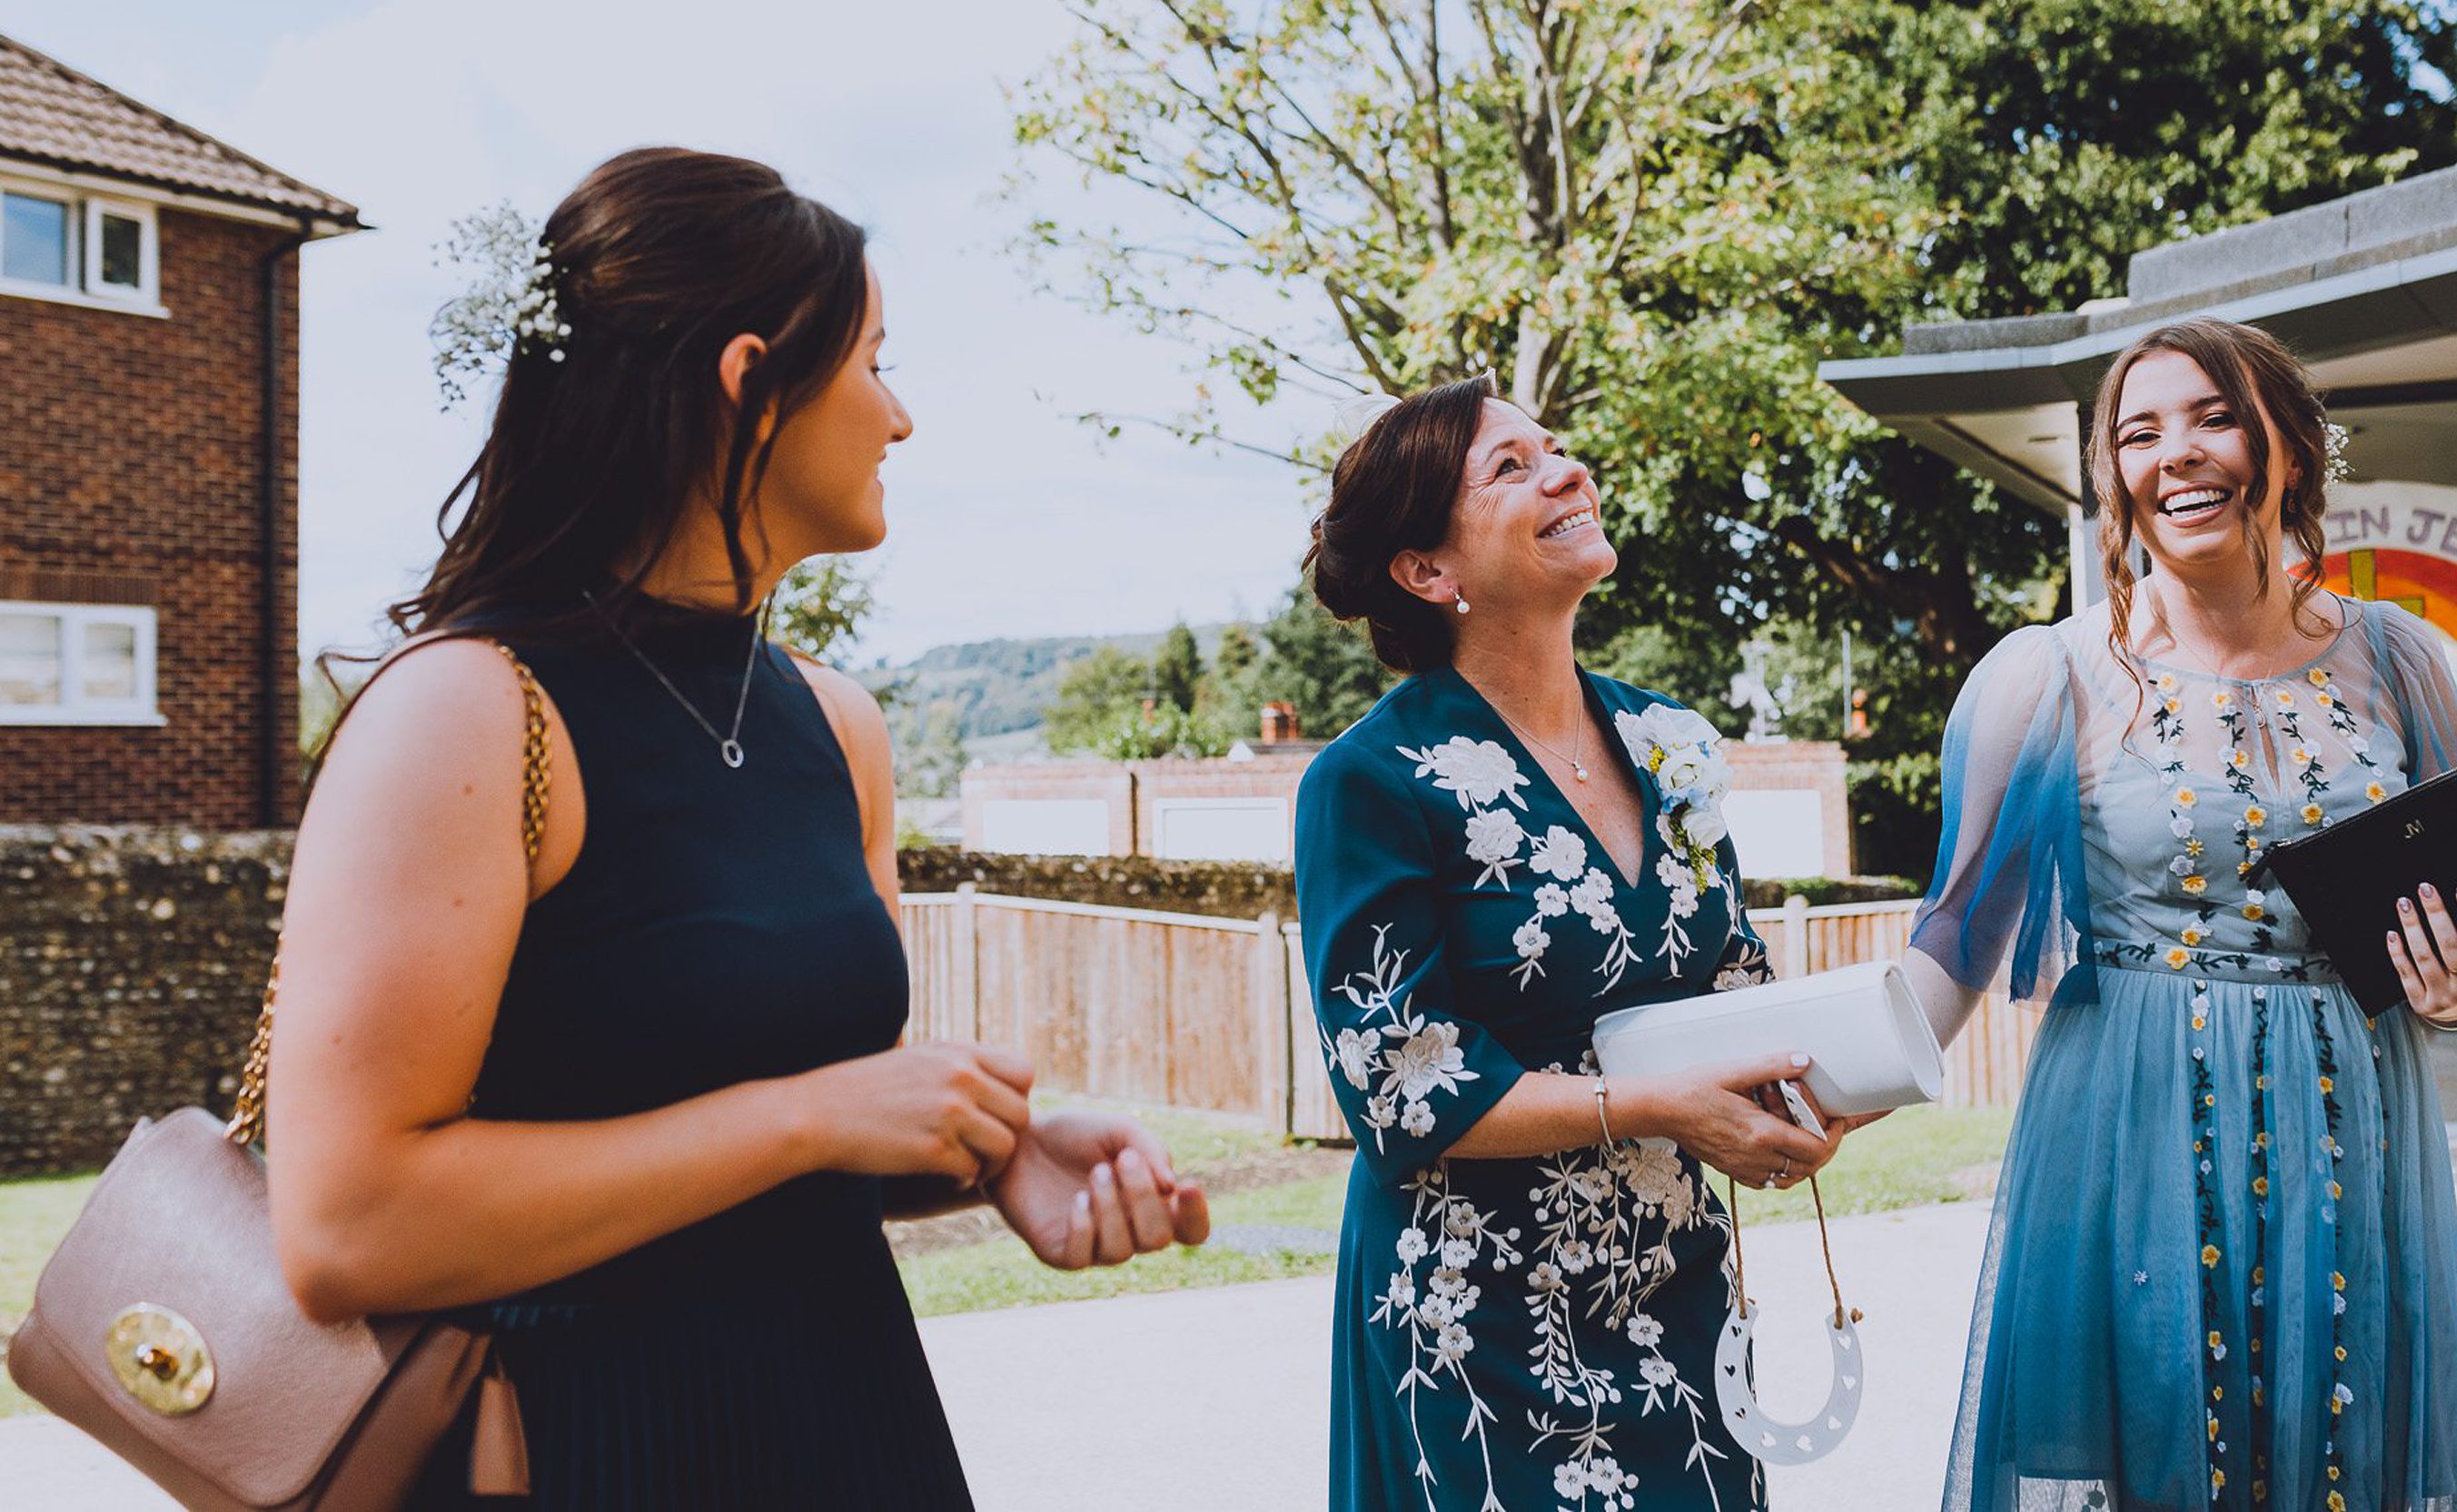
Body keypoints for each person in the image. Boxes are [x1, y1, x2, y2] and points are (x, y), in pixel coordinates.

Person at [265, 147, 1210, 1509]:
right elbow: (346, 1227)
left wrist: (995, 1159)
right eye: (876, 361)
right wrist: (813, 1117)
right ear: (750, 383)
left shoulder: (839, 725)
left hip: (844, 1418)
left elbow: (784, 1137)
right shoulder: (471, 714)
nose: (900, 418)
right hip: (584, 1447)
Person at [1892, 317, 2457, 1512]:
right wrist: (1813, 1085)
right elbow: (1954, 942)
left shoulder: (2406, 662)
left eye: (2214, 416)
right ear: (2112, 477)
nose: (2176, 452)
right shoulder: (2046, 675)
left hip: (2352, 1130)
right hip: (2131, 1129)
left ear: (2289, 446)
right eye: (2138, 431)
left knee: (2347, 1458)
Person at [1294, 377, 1849, 1512]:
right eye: (1511, 467)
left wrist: (1831, 1082)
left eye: (1558, 448)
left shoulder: (1670, 743)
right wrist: (1656, 1106)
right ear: (1428, 571)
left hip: (1677, 1290)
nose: (1567, 470)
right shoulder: (1369, 782)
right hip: (1478, 1318)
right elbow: (1403, 1087)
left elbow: (1733, 989)